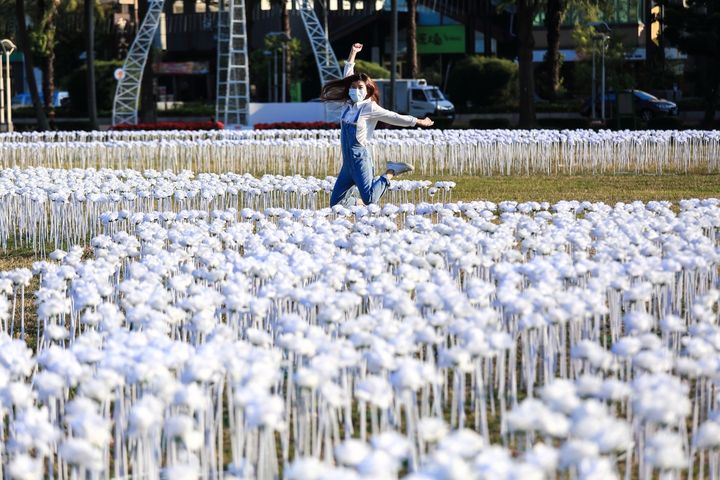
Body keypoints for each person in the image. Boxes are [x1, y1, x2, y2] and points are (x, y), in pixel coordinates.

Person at [320, 43, 434, 208]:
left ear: (367, 90)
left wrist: (418, 121)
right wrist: (352, 53)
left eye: (359, 87)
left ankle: (391, 171)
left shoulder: (370, 108)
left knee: (370, 199)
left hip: (361, 161)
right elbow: (348, 75)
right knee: (335, 204)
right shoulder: (347, 104)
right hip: (347, 164)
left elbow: (394, 117)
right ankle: (358, 204)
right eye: (353, 87)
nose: (355, 90)